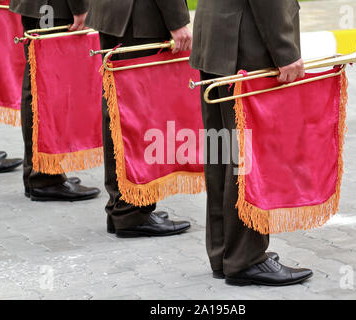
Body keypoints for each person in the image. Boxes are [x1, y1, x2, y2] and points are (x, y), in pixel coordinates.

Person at [190, 0, 313, 286]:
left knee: (223, 152)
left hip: (217, 35)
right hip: (246, 43)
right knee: (246, 156)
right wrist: (284, 50)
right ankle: (246, 258)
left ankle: (225, 253)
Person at [85, 0, 192, 238]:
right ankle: (131, 212)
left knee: (120, 109)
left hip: (117, 14)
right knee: (137, 112)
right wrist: (176, 20)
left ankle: (122, 206)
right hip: (138, 16)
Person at [9, 0, 100, 201]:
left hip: (43, 5)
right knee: (44, 85)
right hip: (52, 5)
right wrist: (80, 6)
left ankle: (39, 171)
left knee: (38, 80)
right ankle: (43, 177)